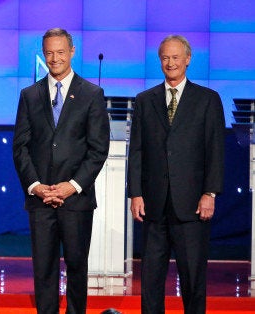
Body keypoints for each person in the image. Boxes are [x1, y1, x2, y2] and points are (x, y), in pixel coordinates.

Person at [12, 28, 110, 314]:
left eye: (60, 52)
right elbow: (21, 147)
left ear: (72, 52)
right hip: (40, 200)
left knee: (77, 266)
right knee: (43, 269)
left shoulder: (92, 94)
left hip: (76, 200)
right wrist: (37, 186)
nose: (54, 58)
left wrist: (72, 185)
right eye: (49, 53)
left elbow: (97, 149)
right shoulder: (29, 95)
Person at [127, 35, 225, 314]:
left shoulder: (207, 100)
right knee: (151, 279)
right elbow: (137, 151)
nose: (170, 63)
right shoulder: (145, 100)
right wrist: (135, 193)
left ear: (188, 59)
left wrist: (210, 192)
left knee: (193, 278)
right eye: (165, 58)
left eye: (175, 57)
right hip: (154, 206)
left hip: (192, 204)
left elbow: (215, 150)